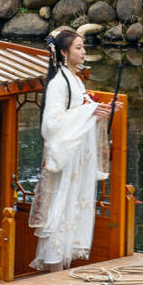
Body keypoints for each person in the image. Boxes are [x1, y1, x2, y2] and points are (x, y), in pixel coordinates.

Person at [29, 28, 110, 271]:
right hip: (65, 158)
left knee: (74, 207)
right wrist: (88, 111)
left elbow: (79, 112)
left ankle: (63, 266)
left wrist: (98, 111)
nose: (84, 52)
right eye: (78, 47)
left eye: (83, 47)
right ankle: (54, 268)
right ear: (64, 52)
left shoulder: (75, 79)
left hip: (77, 157)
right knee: (60, 208)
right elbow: (51, 125)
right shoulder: (58, 82)